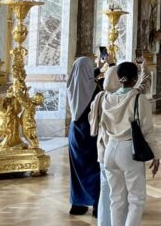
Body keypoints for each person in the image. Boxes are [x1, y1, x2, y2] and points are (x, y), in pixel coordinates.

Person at [96, 62, 160, 226]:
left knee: (116, 199)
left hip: (110, 148)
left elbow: (102, 125)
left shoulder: (107, 99)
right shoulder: (138, 99)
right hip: (129, 149)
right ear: (135, 78)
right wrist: (156, 155)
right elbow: (147, 130)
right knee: (136, 199)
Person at [67, 57, 102, 216]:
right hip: (92, 131)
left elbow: (85, 78)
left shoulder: (71, 85)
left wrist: (98, 69)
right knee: (95, 167)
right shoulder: (96, 88)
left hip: (75, 131)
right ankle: (96, 204)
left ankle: (78, 204)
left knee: (77, 169)